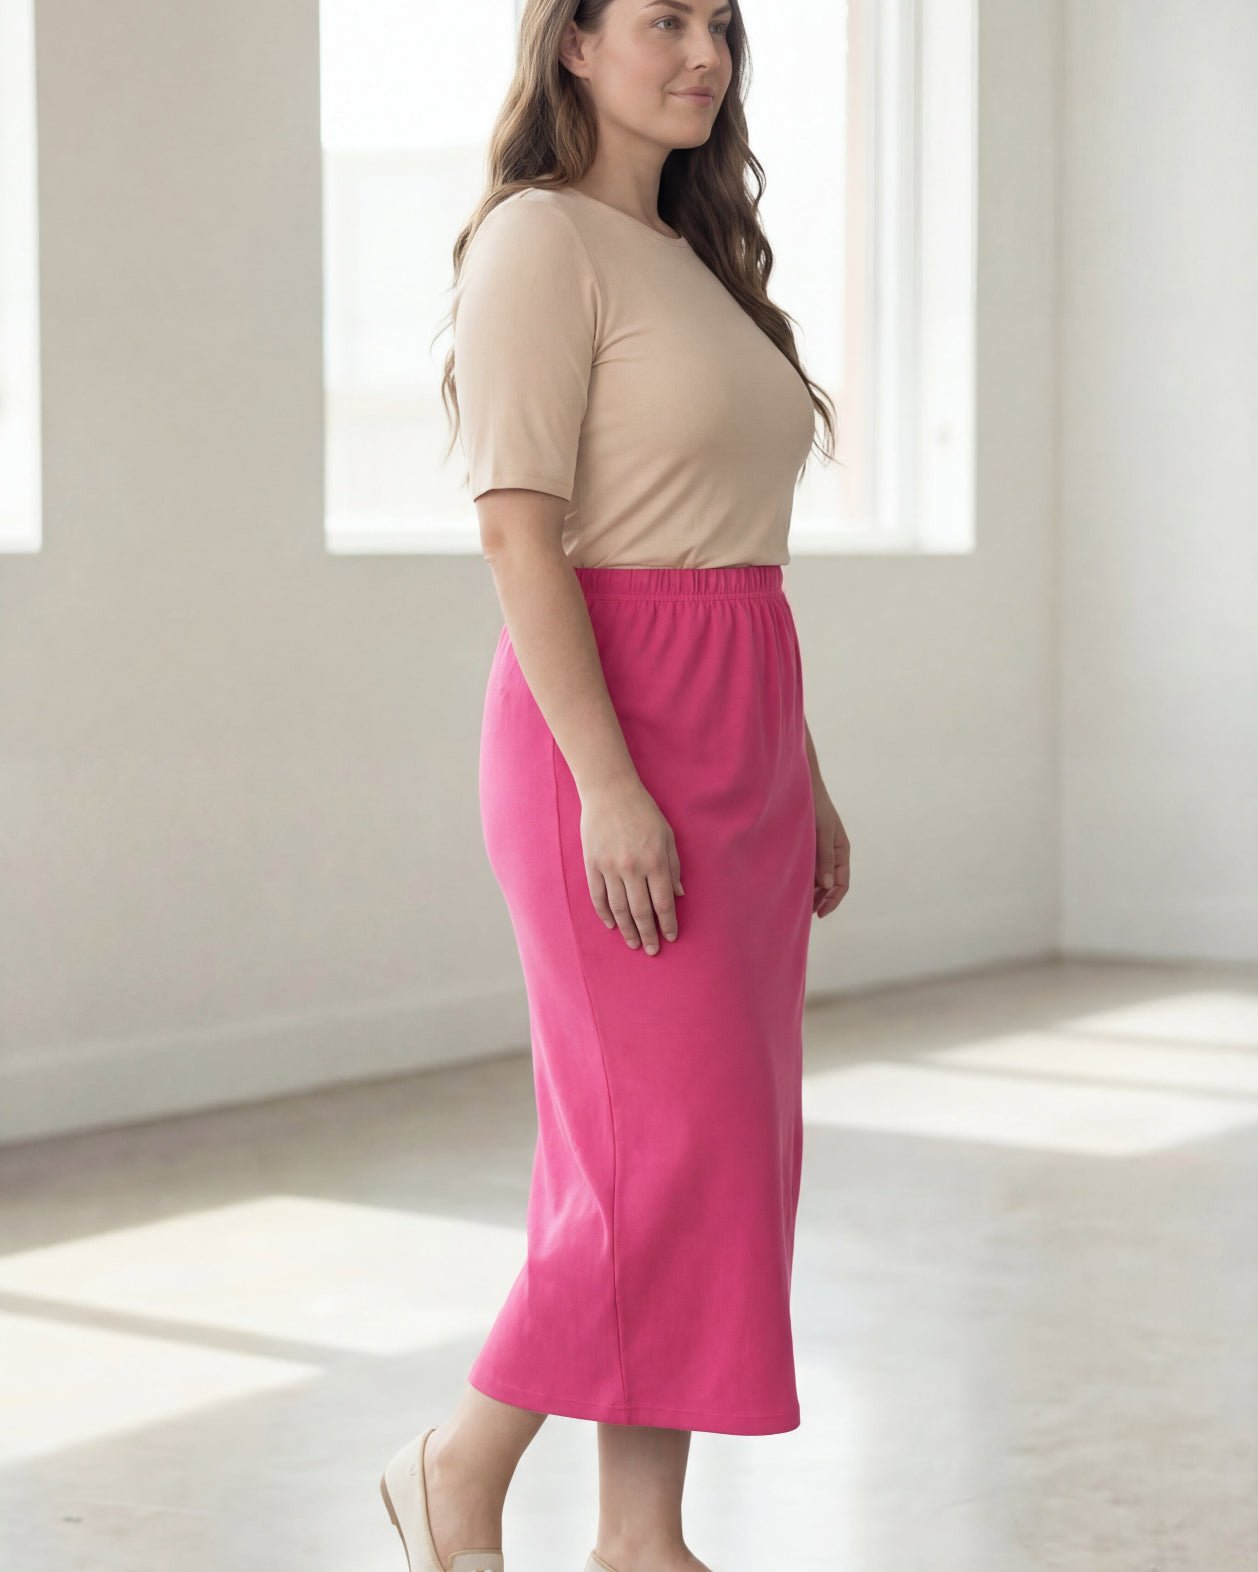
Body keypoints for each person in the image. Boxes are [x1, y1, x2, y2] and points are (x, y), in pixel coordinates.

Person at [380, 3, 851, 1569]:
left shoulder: (696, 261)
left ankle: (637, 1539)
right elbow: (520, 526)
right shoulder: (538, 242)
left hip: (738, 728)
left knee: (698, 1158)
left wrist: (807, 776)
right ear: (572, 43)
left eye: (721, 21)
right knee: (658, 1158)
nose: (703, 48)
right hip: (612, 730)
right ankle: (456, 1465)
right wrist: (607, 784)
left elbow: (727, 547)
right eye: (663, 18)